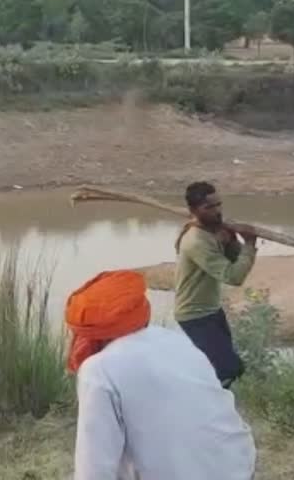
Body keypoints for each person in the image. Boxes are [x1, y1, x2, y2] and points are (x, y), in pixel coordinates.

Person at [66, 270, 256, 480]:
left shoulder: (98, 370)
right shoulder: (176, 340)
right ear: (141, 313)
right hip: (238, 467)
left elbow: (94, 469)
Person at [174, 181, 258, 388]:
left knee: (221, 368)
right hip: (194, 315)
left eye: (218, 205)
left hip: (211, 311)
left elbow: (235, 259)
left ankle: (217, 408)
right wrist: (249, 244)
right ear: (194, 210)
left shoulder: (213, 231)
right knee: (228, 369)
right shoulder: (196, 241)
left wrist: (231, 241)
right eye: (209, 207)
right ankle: (201, 408)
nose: (217, 211)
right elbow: (233, 276)